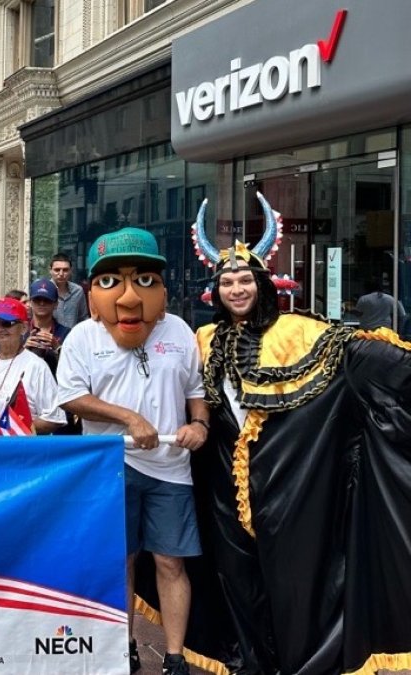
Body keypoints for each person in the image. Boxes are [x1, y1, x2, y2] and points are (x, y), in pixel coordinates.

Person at [183, 196, 411, 675]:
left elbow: (357, 358)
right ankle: (253, 663)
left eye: (245, 279)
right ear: (215, 290)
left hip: (288, 477)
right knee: (237, 578)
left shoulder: (296, 330)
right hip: (224, 482)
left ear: (262, 283)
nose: (237, 288)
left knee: (292, 579)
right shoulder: (201, 340)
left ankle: (300, 664)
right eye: (227, 281)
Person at [55, 227, 208, 675]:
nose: (128, 295)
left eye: (143, 278)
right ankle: (123, 646)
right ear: (92, 290)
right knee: (120, 559)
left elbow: (196, 391)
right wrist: (128, 418)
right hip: (110, 463)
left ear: (159, 284)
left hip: (170, 466)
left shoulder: (180, 330)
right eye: (111, 281)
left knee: (170, 560)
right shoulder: (84, 337)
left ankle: (175, 655)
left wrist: (198, 424)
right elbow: (70, 397)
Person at [0, 297, 66, 435]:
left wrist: (13, 429)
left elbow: (54, 417)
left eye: (7, 323)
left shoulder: (37, 366)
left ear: (23, 328)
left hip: (21, 450)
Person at [25, 278, 70, 372]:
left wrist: (58, 348)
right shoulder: (20, 331)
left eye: (47, 300)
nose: (42, 303)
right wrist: (24, 350)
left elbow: (74, 367)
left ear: (56, 304)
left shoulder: (67, 333)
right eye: (37, 299)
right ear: (30, 302)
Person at [50, 252, 89, 329]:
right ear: (50, 270)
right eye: (57, 270)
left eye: (65, 270)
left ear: (71, 271)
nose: (61, 274)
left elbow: (83, 318)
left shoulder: (78, 291)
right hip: (50, 338)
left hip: (74, 338)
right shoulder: (45, 291)